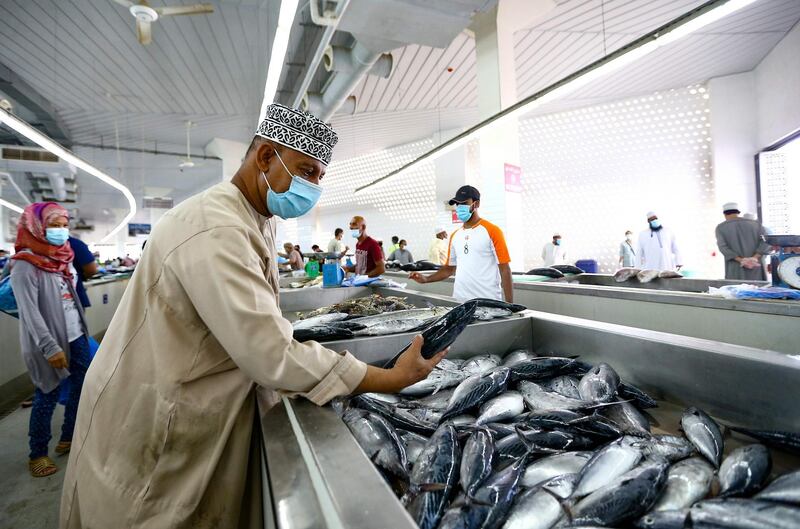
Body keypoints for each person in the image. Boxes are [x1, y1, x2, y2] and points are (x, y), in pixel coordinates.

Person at [59, 103, 445, 528]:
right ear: (265, 157)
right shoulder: (216, 227)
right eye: (306, 170)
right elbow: (271, 355)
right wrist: (390, 377)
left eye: (318, 176)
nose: (313, 185)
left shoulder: (255, 217)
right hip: (155, 414)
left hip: (186, 388)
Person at [9, 203, 91, 478]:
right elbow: (30, 313)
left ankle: (69, 435)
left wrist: (81, 328)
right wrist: (49, 346)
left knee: (82, 382)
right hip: (49, 339)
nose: (60, 231)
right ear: (37, 226)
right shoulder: (24, 265)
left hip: (76, 334)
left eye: (63, 224)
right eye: (53, 225)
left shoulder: (62, 256)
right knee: (48, 392)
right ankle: (38, 453)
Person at [409, 185, 513, 302]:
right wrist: (426, 279)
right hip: (459, 301)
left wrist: (510, 305)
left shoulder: (492, 231)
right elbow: (449, 269)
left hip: (487, 302)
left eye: (464, 203)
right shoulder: (455, 236)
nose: (459, 207)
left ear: (476, 204)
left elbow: (505, 269)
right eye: (457, 204)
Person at [715, 202, 772, 280]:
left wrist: (742, 260)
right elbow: (767, 242)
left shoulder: (721, 228)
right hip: (756, 268)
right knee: (758, 289)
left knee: (737, 290)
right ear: (738, 212)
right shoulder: (756, 224)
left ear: (724, 214)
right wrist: (754, 258)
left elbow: (723, 248)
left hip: (735, 270)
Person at [67, 236, 98, 308]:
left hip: (73, 297)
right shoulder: (76, 244)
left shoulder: (75, 244)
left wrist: (81, 277)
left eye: (65, 225)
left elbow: (91, 270)